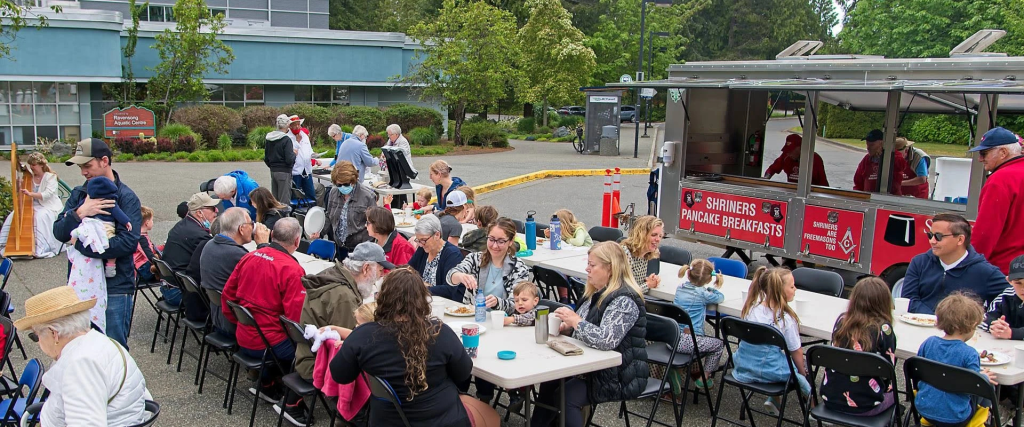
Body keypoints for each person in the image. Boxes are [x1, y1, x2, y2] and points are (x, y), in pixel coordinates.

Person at [331, 267, 499, 427]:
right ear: (422, 300)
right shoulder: (440, 331)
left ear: (382, 298)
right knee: (492, 416)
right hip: (443, 418)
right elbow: (463, 372)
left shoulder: (363, 335)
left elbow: (340, 375)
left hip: (389, 420)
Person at [531, 241, 649, 426]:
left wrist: (576, 321)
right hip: (590, 365)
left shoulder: (625, 300)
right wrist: (568, 327)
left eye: (592, 265)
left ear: (610, 268)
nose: (587, 269)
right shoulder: (596, 291)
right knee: (549, 382)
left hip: (618, 374)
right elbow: (587, 325)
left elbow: (605, 339)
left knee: (566, 396)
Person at [15, 286, 151, 425]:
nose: (38, 343)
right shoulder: (98, 341)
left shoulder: (80, 365)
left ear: (53, 333)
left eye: (35, 336)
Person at [53, 138, 141, 348]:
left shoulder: (126, 197)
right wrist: (80, 213)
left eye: (87, 165)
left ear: (104, 161)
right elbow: (59, 232)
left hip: (116, 286)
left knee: (113, 347)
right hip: (82, 286)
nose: (83, 172)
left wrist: (81, 246)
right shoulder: (79, 194)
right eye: (80, 167)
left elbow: (127, 243)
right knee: (83, 347)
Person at [222, 218, 308, 420]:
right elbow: (295, 320)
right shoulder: (292, 269)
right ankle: (292, 403)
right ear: (297, 242)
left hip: (244, 336)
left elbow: (228, 296)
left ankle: (268, 385)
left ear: (271, 235)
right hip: (269, 342)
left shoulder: (249, 257)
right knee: (308, 351)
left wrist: (240, 322)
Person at [295, 242, 394, 382]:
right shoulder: (344, 297)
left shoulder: (334, 273)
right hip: (318, 365)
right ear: (365, 268)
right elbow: (352, 346)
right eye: (380, 271)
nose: (381, 276)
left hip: (307, 355)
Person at [732, 266, 809, 415]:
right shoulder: (786, 319)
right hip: (770, 371)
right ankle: (812, 404)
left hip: (744, 366)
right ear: (780, 291)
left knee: (773, 356)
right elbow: (796, 351)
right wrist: (801, 373)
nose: (796, 289)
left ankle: (775, 398)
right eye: (792, 286)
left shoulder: (751, 309)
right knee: (799, 368)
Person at [915, 292, 997, 427]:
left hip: (924, 409)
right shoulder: (969, 354)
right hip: (957, 417)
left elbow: (918, 370)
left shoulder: (928, 343)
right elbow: (974, 387)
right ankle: (983, 421)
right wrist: (983, 378)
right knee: (988, 386)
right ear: (971, 325)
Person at [901, 213, 1007, 315]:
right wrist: (934, 319)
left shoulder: (985, 271)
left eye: (938, 236)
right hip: (920, 326)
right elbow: (908, 299)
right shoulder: (919, 262)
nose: (932, 241)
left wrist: (989, 320)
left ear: (960, 239)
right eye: (930, 235)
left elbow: (1011, 298)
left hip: (960, 331)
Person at [821, 277, 897, 416]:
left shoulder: (842, 322)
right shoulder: (883, 329)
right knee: (898, 395)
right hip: (867, 407)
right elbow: (888, 370)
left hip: (830, 400)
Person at [200, 207, 270, 337]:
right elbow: (265, 279)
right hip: (235, 323)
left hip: (216, 317)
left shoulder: (210, 245)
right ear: (241, 229)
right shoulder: (237, 255)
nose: (253, 227)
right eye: (251, 224)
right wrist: (263, 246)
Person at [970, 126, 1024, 275]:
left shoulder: (1000, 179)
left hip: (1003, 269)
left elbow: (985, 232)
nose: (980, 159)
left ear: (1003, 152)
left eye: (984, 153)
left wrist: (968, 265)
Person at [447, 218, 531, 312]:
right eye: (491, 239)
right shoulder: (475, 259)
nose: (495, 246)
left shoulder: (519, 268)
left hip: (502, 321)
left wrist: (497, 303)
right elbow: (450, 276)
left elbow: (515, 305)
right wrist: (459, 276)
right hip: (473, 317)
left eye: (501, 241)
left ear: (511, 242)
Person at [669, 259, 725, 394]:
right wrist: (712, 289)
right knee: (718, 345)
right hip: (689, 341)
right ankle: (704, 377)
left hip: (671, 337)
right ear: (708, 280)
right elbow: (720, 298)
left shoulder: (680, 288)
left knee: (701, 341)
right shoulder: (703, 294)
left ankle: (677, 371)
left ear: (688, 274)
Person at [0, 152, 64, 258]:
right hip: (33, 205)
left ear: (41, 165)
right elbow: (19, 194)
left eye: (34, 165)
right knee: (14, 214)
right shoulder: (28, 178)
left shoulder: (50, 177)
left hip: (48, 206)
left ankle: (39, 246)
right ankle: (8, 245)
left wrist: (31, 194)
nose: (31, 167)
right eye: (30, 165)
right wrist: (17, 185)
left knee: (39, 216)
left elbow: (47, 195)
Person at [162, 192, 219, 306]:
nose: (216, 210)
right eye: (212, 208)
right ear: (199, 213)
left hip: (168, 287)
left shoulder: (182, 225)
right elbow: (212, 265)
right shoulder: (199, 235)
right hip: (179, 292)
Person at [500, 281, 541, 411]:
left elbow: (528, 318)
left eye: (524, 300)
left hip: (533, 354)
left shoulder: (536, 312)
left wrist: (512, 319)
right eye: (517, 301)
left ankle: (521, 393)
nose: (520, 304)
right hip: (517, 349)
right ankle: (514, 395)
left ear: (535, 301)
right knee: (505, 365)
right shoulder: (515, 311)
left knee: (519, 369)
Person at [322, 161, 376, 260]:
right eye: (339, 185)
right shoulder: (333, 193)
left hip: (359, 249)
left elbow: (374, 225)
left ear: (353, 181)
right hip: (339, 245)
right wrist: (320, 231)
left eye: (346, 184)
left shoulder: (368, 196)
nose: (342, 187)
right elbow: (329, 216)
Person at [409, 214, 465, 299]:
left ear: (437, 235)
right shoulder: (424, 249)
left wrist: (419, 287)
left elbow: (448, 289)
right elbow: (409, 269)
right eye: (418, 240)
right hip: (423, 299)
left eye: (423, 240)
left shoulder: (452, 254)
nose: (420, 244)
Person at [982, 254, 1024, 339]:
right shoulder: (1005, 296)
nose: (1023, 288)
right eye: (1018, 283)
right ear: (1009, 281)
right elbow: (985, 318)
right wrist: (996, 327)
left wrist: (1012, 333)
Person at [853, 129, 906, 195]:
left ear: (882, 143)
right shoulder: (867, 159)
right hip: (870, 199)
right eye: (867, 145)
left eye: (872, 145)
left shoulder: (893, 156)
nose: (868, 148)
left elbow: (901, 165)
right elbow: (858, 182)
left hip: (892, 198)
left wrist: (884, 155)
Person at [763, 134, 830, 186]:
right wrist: (766, 179)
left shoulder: (815, 159)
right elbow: (772, 169)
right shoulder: (786, 156)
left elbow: (823, 183)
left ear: (800, 148)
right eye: (787, 151)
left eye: (791, 151)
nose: (789, 153)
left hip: (811, 193)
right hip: (792, 190)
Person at [620, 215, 663, 294]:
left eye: (660, 236)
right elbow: (624, 293)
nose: (658, 239)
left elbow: (635, 283)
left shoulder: (645, 254)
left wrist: (648, 280)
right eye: (654, 235)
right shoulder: (625, 254)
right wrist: (648, 285)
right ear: (641, 235)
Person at [266, 114, 298, 206]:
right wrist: (294, 154)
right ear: (287, 125)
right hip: (284, 171)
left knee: (275, 200)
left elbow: (266, 158)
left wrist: (273, 166)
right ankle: (285, 219)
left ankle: (276, 218)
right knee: (284, 201)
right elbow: (289, 160)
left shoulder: (269, 138)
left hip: (273, 171)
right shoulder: (286, 139)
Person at [289, 115, 316, 202]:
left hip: (307, 170)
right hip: (295, 172)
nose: (297, 127)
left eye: (298, 124)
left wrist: (313, 155)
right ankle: (296, 213)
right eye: (295, 125)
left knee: (311, 195)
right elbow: (291, 153)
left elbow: (309, 149)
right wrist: (298, 141)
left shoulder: (304, 135)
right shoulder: (287, 137)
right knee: (295, 196)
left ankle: (312, 212)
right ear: (290, 126)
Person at [133, 206, 159, 284]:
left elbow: (151, 248)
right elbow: (150, 256)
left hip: (139, 267)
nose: (152, 222)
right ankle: (154, 270)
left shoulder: (139, 235)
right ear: (147, 223)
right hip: (140, 271)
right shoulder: (141, 238)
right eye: (152, 220)